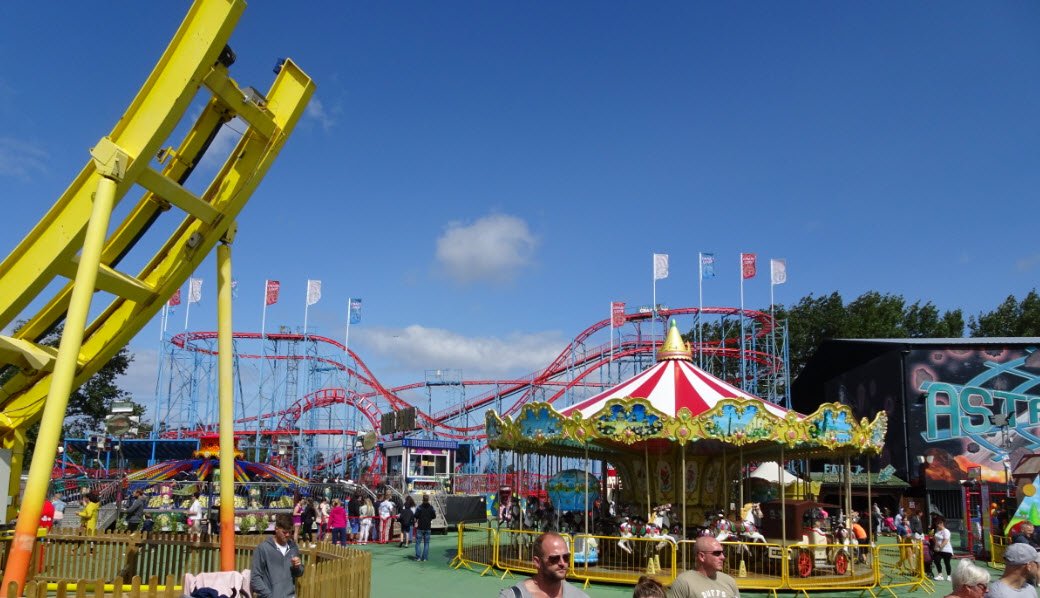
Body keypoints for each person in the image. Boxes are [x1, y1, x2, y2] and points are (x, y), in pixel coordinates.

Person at [498, 531, 589, 598]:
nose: (562, 563)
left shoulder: (579, 596)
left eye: (566, 557)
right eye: (554, 559)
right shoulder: (514, 596)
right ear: (537, 562)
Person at [250, 513, 304, 598]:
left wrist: (297, 567)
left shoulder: (293, 547)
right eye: (284, 532)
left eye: (290, 532)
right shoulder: (263, 549)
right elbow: (255, 578)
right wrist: (269, 595)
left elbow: (299, 573)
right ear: (276, 529)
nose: (288, 535)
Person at [666, 536, 740, 598]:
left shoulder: (729, 581)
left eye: (723, 553)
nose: (723, 557)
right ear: (702, 556)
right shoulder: (683, 582)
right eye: (717, 553)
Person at [413, 494, 436, 562]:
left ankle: (418, 557)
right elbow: (434, 516)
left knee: (418, 543)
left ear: (422, 499)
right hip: (428, 527)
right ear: (428, 499)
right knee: (426, 543)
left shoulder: (419, 507)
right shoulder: (431, 507)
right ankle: (425, 558)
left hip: (420, 527)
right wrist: (429, 517)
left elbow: (416, 515)